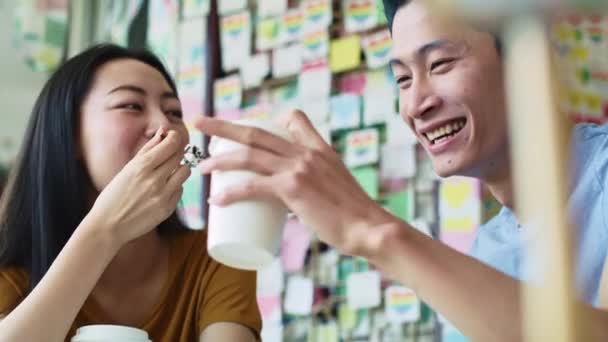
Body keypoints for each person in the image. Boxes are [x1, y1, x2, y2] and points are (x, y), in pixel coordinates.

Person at [194, 1, 608, 340]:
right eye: (403, 79)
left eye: (441, 63)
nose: (415, 105)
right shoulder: (485, 252)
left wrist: (372, 229)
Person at [0, 44, 261, 342]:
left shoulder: (214, 256)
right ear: (68, 134)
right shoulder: (11, 270)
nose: (165, 127)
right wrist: (104, 231)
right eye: (131, 105)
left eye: (174, 112)